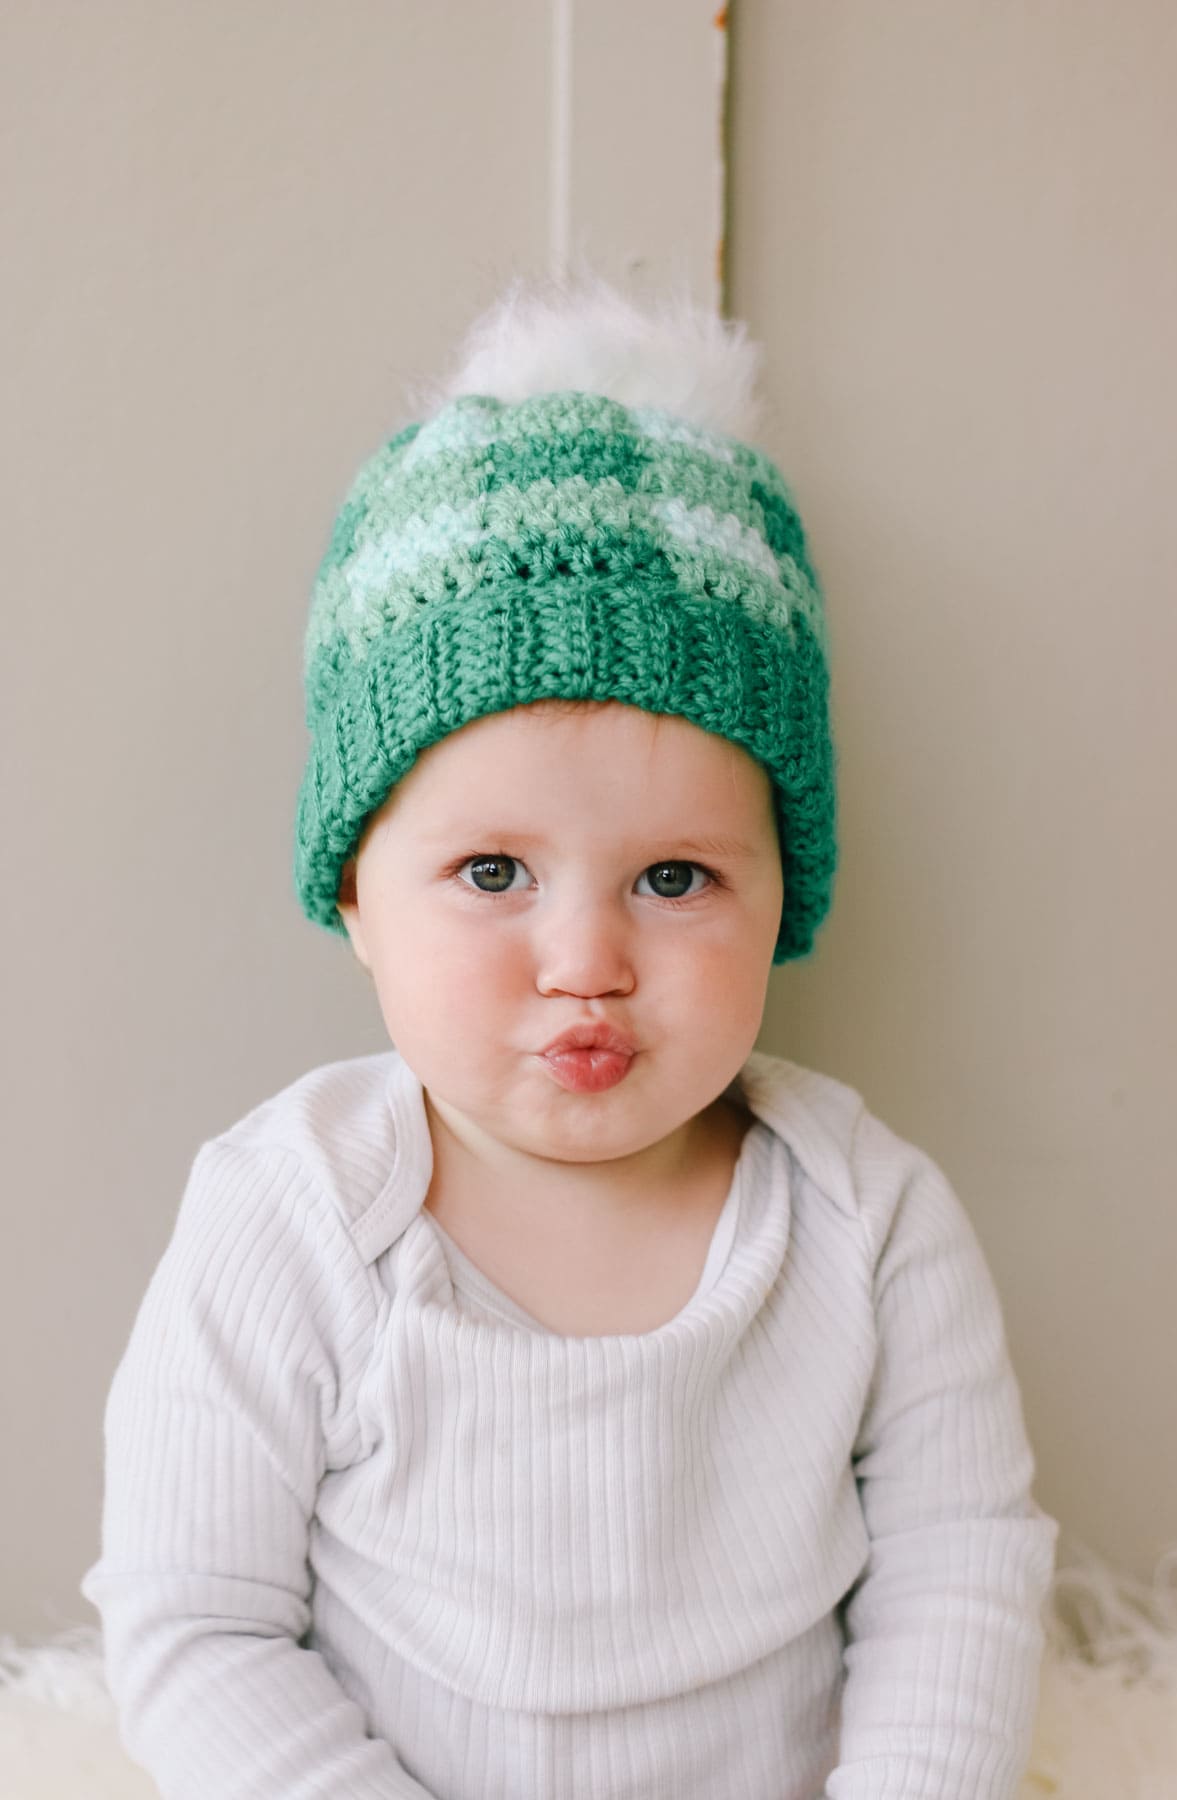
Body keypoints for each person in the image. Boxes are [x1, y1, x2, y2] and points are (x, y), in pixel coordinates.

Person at [82, 273, 1058, 1800]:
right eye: (492, 876)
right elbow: (194, 1627)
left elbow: (960, 1577)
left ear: (784, 888)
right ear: (355, 890)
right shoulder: (293, 1219)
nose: (586, 963)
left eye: (676, 879)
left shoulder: (866, 1221)